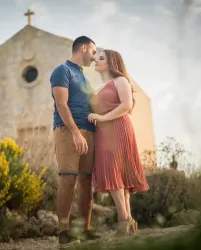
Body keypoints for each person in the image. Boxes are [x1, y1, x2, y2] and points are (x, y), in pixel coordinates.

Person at [88, 49, 150, 236]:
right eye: (95, 57)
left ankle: (123, 221)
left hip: (118, 128)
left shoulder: (120, 80)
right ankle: (128, 221)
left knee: (115, 172)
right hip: (103, 131)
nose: (95, 60)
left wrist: (102, 117)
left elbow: (126, 106)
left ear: (112, 62)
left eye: (101, 57)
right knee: (115, 174)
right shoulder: (98, 86)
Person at [50, 36, 100, 248]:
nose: (94, 57)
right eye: (93, 52)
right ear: (83, 48)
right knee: (68, 178)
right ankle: (63, 232)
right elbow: (61, 104)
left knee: (86, 181)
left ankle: (85, 230)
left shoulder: (85, 78)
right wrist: (75, 133)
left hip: (89, 131)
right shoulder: (62, 70)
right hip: (68, 131)